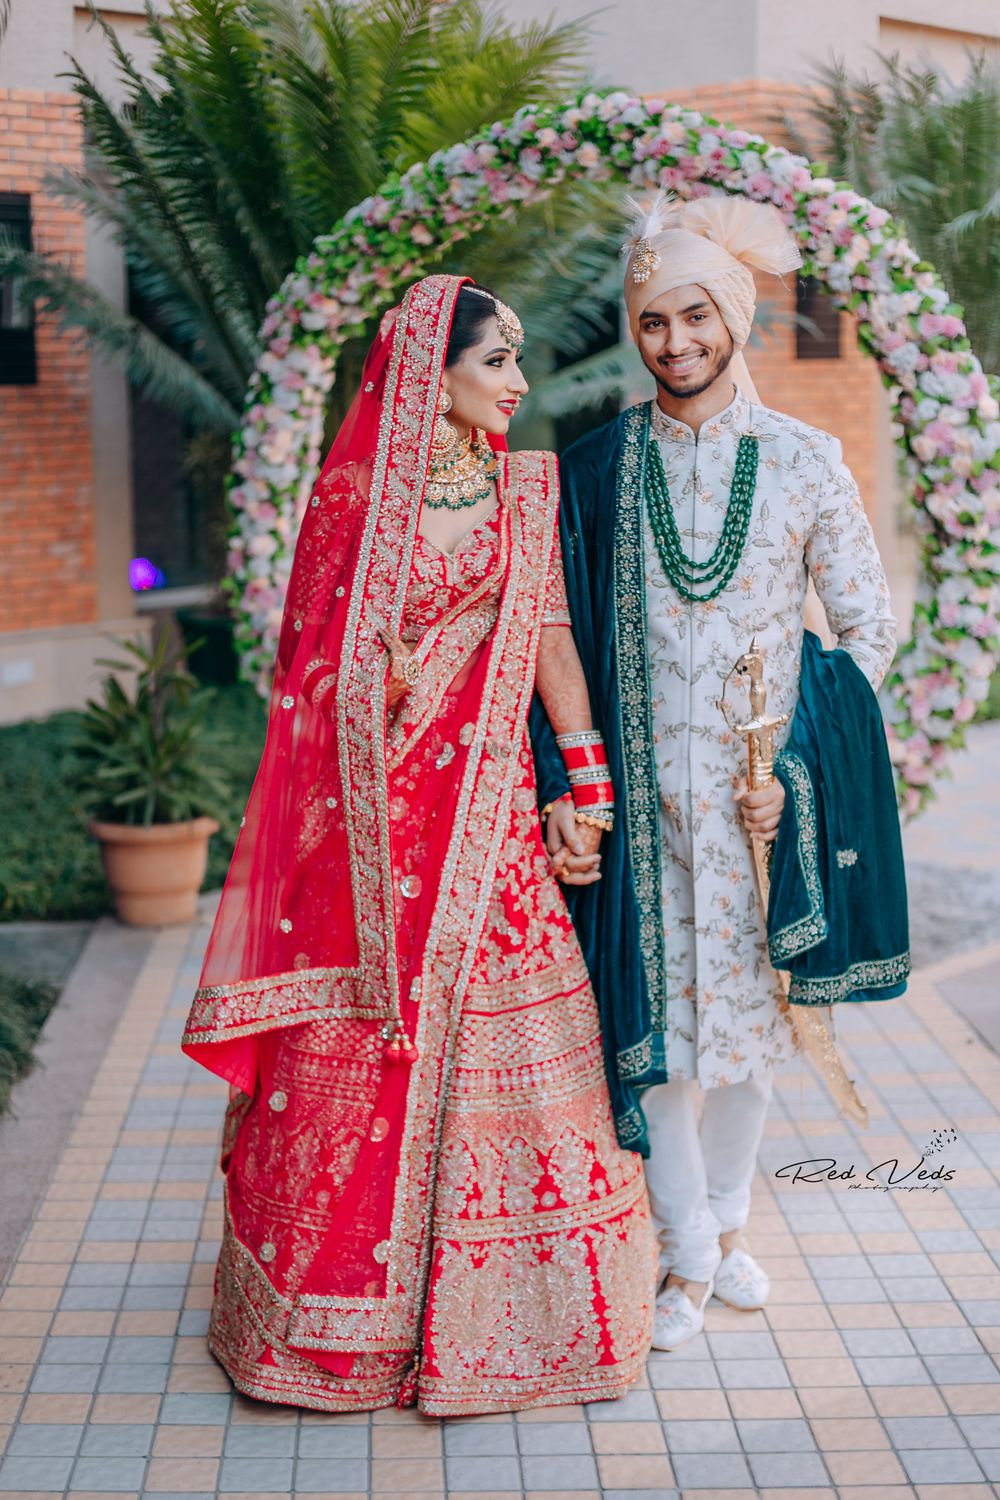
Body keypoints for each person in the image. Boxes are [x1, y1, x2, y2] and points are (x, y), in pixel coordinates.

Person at [181, 274, 654, 1415]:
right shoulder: (352, 501)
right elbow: (305, 679)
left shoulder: (521, 493)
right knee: (357, 1051)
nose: (518, 384)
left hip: (488, 829)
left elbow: (544, 640)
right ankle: (333, 1321)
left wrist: (581, 777)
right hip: (370, 835)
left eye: (518, 361)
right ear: (429, 374)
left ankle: (512, 1325)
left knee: (512, 1045)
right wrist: (380, 689)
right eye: (497, 362)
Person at [532, 196, 904, 1353]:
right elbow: (554, 637)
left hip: (757, 814)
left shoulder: (802, 460)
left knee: (747, 1032)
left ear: (731, 317)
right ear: (634, 331)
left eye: (695, 315)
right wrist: (571, 782)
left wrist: (793, 764)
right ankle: (685, 1252)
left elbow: (864, 630)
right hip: (636, 813)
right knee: (656, 1033)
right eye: (652, 320)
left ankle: (728, 1228)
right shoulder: (592, 469)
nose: (675, 341)